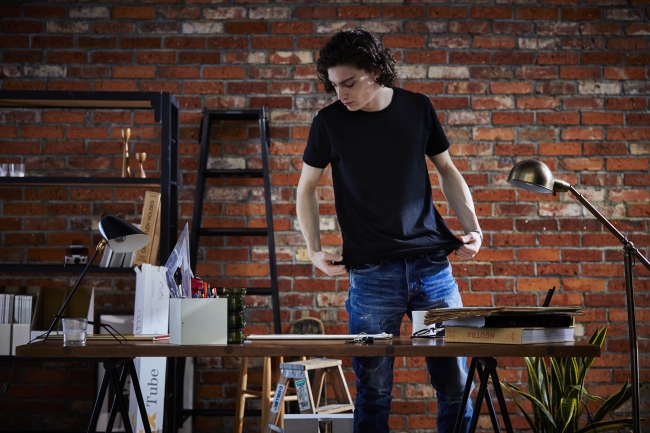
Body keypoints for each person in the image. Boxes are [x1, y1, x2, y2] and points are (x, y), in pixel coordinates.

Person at [296, 28, 482, 433]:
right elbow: (306, 187)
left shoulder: (417, 108)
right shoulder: (328, 122)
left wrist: (474, 229)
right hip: (371, 277)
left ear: (376, 71)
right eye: (334, 85)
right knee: (373, 392)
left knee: (456, 387)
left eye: (349, 83)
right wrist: (313, 250)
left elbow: (447, 169)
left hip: (432, 270)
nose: (341, 94)